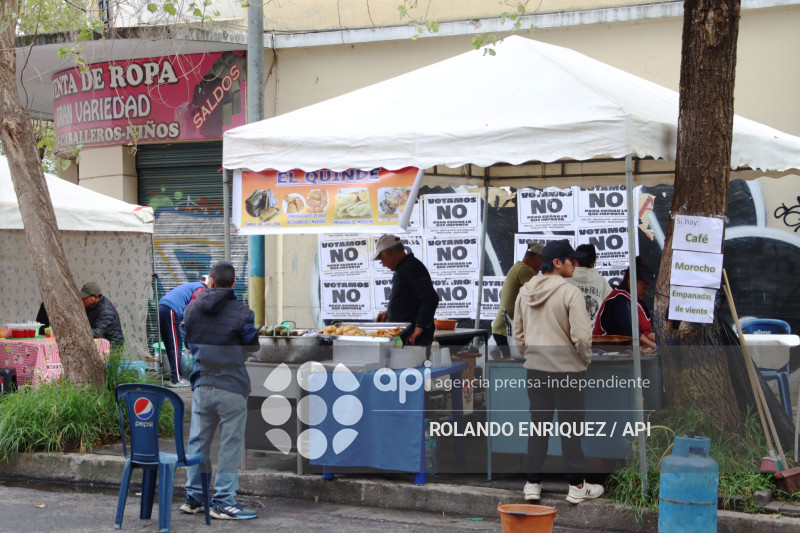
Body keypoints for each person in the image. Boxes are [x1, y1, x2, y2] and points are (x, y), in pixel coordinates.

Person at [512, 239, 604, 504]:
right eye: (570, 260)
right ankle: (576, 487)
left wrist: (532, 355)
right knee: (571, 430)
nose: (575, 265)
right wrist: (583, 361)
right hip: (567, 372)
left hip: (536, 371)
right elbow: (582, 338)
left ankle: (532, 484)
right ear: (557, 262)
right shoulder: (569, 292)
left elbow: (518, 335)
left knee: (538, 428)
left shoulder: (525, 292)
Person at [180, 261, 259, 520]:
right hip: (232, 386)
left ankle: (194, 497)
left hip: (202, 384)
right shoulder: (243, 313)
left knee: (198, 442)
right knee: (230, 444)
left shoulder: (191, 309)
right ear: (233, 284)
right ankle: (224, 501)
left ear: (210, 281)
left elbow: (187, 340)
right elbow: (252, 347)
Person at [374, 234, 439, 346]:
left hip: (414, 338)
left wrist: (419, 327)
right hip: (403, 335)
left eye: (381, 260)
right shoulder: (404, 268)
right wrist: (389, 312)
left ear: (390, 253)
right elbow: (410, 300)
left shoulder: (412, 267)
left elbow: (430, 299)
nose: (383, 264)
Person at [491, 241, 544, 354]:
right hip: (506, 331)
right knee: (514, 366)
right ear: (537, 258)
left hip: (504, 329)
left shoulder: (518, 268)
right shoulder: (524, 270)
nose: (541, 268)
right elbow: (541, 294)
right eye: (542, 263)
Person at [593, 258, 657, 349]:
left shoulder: (636, 301)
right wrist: (655, 347)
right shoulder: (619, 301)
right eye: (643, 288)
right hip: (608, 353)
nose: (646, 292)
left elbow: (645, 333)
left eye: (647, 289)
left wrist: (664, 343)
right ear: (631, 280)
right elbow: (631, 333)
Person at [158, 276, 207, 388]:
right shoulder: (200, 289)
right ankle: (176, 379)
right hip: (171, 310)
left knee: (172, 346)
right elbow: (193, 312)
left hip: (164, 308)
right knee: (175, 347)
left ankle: (175, 378)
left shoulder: (193, 286)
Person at [565, 243, 612, 323]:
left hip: (571, 332)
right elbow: (611, 310)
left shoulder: (565, 282)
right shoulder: (603, 283)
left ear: (575, 260)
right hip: (596, 334)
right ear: (594, 260)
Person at [79, 282, 124, 348]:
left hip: (112, 345)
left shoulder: (106, 310)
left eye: (85, 298)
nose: (82, 299)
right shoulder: (92, 305)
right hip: (100, 341)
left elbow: (98, 332)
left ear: (95, 296)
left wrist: (79, 333)